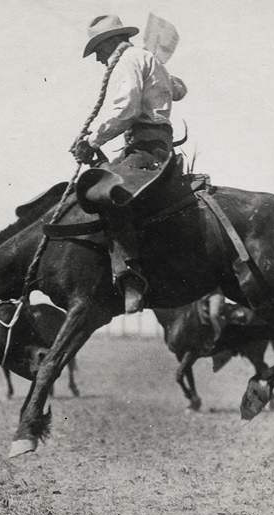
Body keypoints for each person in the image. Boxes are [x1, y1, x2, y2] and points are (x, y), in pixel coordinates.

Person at [72, 14, 187, 313]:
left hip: (147, 148)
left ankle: (130, 278)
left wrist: (92, 142)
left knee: (106, 191)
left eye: (98, 50)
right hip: (154, 144)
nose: (99, 59)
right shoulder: (146, 58)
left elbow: (126, 109)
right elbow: (179, 91)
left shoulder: (128, 60)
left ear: (110, 42)